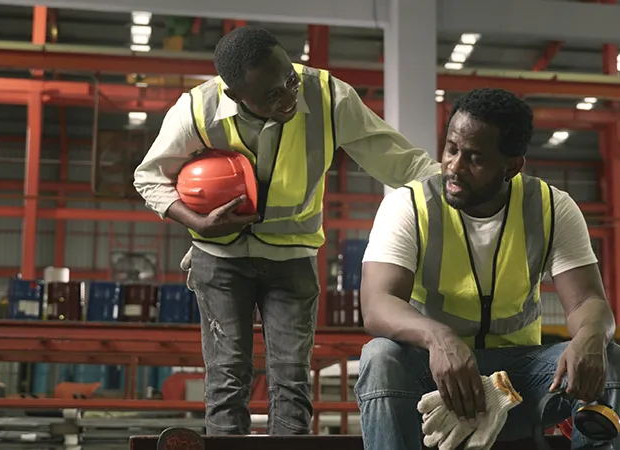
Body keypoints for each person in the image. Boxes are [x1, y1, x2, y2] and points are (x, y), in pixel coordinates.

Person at [133, 25, 440, 436]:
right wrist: (198, 221)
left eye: (290, 80)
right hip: (219, 258)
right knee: (226, 380)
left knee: (292, 382)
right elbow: (149, 177)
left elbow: (402, 162)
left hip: (292, 257)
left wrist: (454, 185)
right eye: (271, 95)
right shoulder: (198, 110)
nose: (288, 96)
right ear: (236, 96)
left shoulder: (329, 96)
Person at [354, 88, 620, 450]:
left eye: (475, 158)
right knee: (379, 357)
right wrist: (440, 339)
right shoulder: (409, 206)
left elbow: (587, 302)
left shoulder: (551, 208)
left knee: (611, 358)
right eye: (451, 149)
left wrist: (591, 336)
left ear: (512, 166)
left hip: (519, 386)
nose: (454, 166)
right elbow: (378, 303)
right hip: (433, 383)